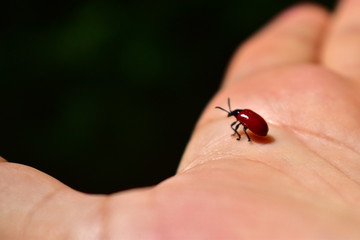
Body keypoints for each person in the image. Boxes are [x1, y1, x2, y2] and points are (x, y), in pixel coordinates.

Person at [2, 1, 360, 239]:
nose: (236, 119)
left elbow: (252, 125)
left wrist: (248, 134)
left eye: (235, 118)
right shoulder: (246, 118)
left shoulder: (245, 120)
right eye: (236, 118)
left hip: (263, 130)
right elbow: (252, 124)